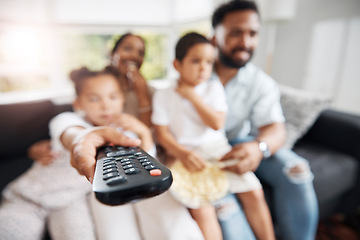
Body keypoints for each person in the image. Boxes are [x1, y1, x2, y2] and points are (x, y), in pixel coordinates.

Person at [209, 1, 319, 240]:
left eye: (253, 33)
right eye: (236, 33)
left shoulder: (261, 83)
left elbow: (275, 129)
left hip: (241, 142)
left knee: (297, 170)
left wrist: (259, 148)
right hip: (205, 151)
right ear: (214, 37)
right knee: (224, 209)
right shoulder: (194, 73)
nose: (246, 43)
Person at [151, 32, 275, 240]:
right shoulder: (164, 94)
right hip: (185, 154)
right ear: (177, 64)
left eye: (209, 62)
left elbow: (217, 123)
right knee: (202, 209)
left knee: (254, 191)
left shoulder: (213, 88)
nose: (203, 68)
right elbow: (162, 135)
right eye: (195, 61)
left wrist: (191, 95)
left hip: (218, 150)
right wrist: (182, 154)